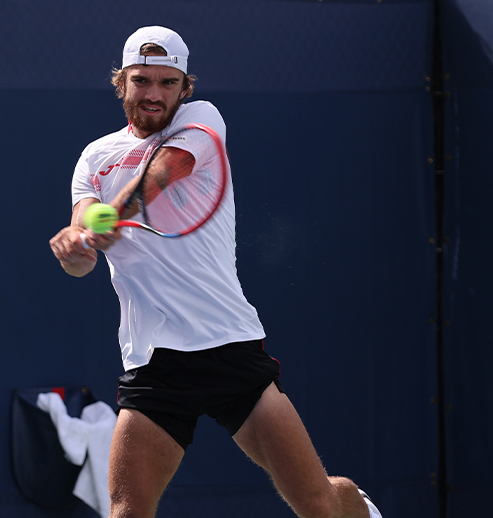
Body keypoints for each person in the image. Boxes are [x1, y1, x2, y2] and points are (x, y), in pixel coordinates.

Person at [49, 26, 382, 518]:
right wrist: (75, 249)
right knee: (127, 508)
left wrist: (112, 217)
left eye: (168, 83)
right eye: (142, 81)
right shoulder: (94, 159)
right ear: (121, 83)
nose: (154, 94)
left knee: (318, 505)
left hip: (228, 348)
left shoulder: (203, 120)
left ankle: (356, 505)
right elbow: (83, 251)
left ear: (185, 87)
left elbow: (160, 175)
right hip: (153, 361)